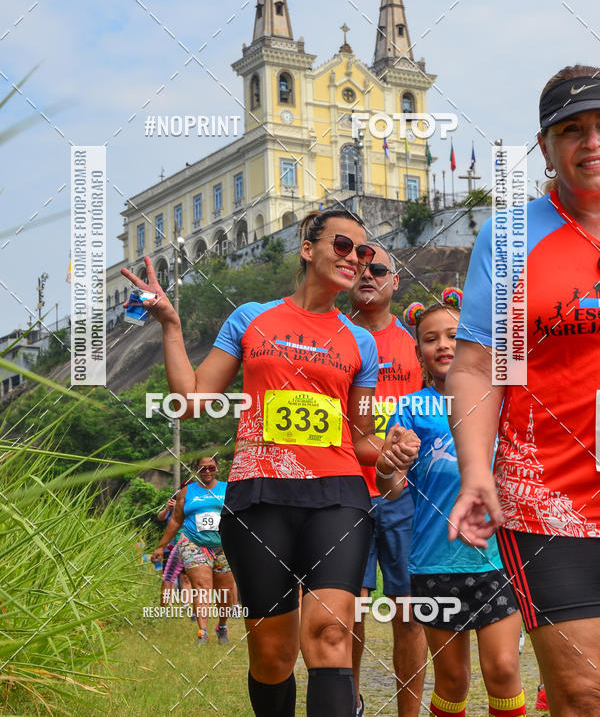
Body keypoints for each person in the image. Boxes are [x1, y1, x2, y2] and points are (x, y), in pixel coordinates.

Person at [124, 208, 419, 717]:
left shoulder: (362, 343)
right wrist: (171, 325)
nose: (356, 259)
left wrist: (390, 447)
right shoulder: (250, 318)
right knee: (272, 654)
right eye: (344, 246)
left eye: (366, 252)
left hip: (340, 497)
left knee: (330, 634)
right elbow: (192, 399)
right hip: (259, 497)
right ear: (309, 248)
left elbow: (362, 437)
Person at [447, 65, 600, 717]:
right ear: (545, 146)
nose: (591, 141)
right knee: (584, 692)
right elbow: (480, 366)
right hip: (551, 499)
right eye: (572, 130)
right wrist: (476, 470)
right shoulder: (512, 238)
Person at [378, 292, 525, 717]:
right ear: (419, 351)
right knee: (453, 681)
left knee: (502, 669)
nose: (443, 345)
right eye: (430, 339)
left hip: (500, 561)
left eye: (454, 336)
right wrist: (390, 463)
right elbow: (390, 489)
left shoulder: (503, 399)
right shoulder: (409, 408)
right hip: (433, 564)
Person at [348, 245, 427, 717]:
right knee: (348, 607)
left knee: (409, 611)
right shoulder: (332, 337)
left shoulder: (415, 345)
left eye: (378, 268)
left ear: (395, 282)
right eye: (357, 268)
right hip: (346, 490)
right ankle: (348, 702)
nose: (366, 274)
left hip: (404, 493)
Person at [151, 456, 235, 644]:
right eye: (203, 468)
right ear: (197, 470)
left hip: (224, 545)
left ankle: (222, 626)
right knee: (202, 586)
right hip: (194, 544)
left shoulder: (227, 489)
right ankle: (202, 631)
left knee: (225, 591)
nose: (207, 471)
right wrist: (161, 546)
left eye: (211, 468)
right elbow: (175, 520)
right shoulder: (187, 492)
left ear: (217, 469)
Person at [157, 492, 192, 610]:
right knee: (168, 577)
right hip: (169, 548)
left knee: (186, 577)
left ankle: (186, 603)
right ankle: (168, 603)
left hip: (186, 547)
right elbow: (160, 517)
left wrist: (179, 507)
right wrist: (167, 509)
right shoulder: (170, 511)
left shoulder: (187, 509)